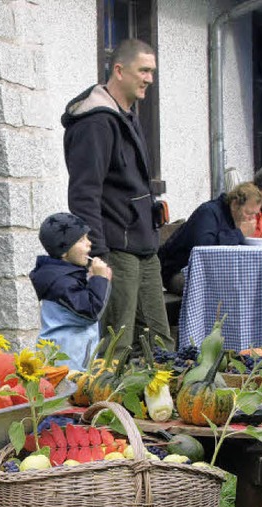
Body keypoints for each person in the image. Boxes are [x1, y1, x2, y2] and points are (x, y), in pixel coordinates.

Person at [61, 39, 173, 355]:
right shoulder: (96, 121)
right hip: (115, 249)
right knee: (116, 346)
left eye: (152, 71)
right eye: (144, 70)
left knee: (159, 343)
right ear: (120, 70)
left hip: (144, 246)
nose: (150, 78)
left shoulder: (126, 116)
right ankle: (105, 404)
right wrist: (97, 253)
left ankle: (160, 404)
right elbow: (83, 194)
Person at [30, 212, 112, 371]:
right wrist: (99, 280)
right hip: (66, 365)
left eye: (87, 237)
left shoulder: (65, 276)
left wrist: (95, 279)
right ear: (64, 251)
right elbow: (90, 312)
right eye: (81, 240)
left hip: (73, 359)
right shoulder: (61, 282)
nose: (89, 243)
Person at [159, 182, 262, 295]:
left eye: (255, 214)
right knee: (226, 287)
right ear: (234, 204)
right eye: (248, 213)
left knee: (253, 282)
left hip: (212, 272)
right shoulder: (208, 212)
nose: (252, 218)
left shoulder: (235, 217)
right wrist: (239, 233)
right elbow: (204, 248)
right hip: (179, 271)